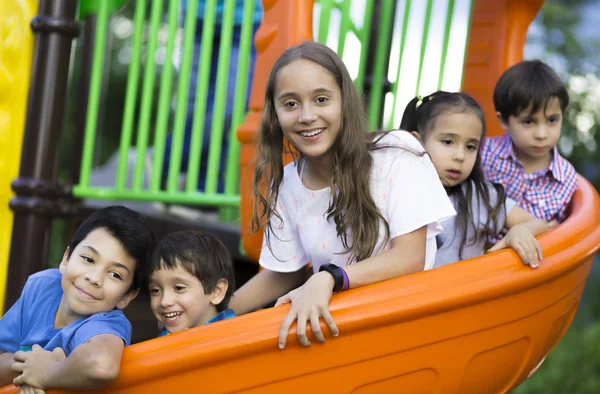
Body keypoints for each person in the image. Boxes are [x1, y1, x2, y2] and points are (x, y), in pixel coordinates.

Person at [229, 41, 456, 349]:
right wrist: (217, 316)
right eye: (291, 104)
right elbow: (284, 274)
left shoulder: (396, 154)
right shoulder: (289, 185)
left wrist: (329, 278)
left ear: (344, 101)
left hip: (407, 329)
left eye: (321, 99)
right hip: (341, 334)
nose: (307, 116)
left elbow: (410, 258)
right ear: (276, 114)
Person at [0, 206, 155, 394]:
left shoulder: (106, 322)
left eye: (115, 274)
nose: (94, 278)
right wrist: (30, 366)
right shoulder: (43, 286)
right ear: (66, 259)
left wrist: (47, 371)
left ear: (127, 296)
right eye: (88, 259)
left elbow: (100, 365)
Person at [400, 91, 548, 268]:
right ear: (417, 142)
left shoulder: (478, 197)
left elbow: (538, 223)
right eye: (448, 142)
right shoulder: (399, 192)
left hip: (466, 293)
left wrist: (520, 230)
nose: (460, 156)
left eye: (470, 147)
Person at [162, 0, 263, 192]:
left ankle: (167, 158)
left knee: (229, 103)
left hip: (247, 16)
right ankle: (204, 184)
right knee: (195, 103)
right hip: (198, 13)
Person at [481, 60, 578, 225]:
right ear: (504, 120)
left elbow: (560, 234)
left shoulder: (565, 178)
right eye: (528, 122)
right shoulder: (484, 153)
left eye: (552, 120)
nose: (541, 134)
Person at [148, 231, 235, 336]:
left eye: (179, 288)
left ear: (216, 291)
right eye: (155, 290)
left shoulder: (232, 336)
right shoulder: (164, 338)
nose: (164, 301)